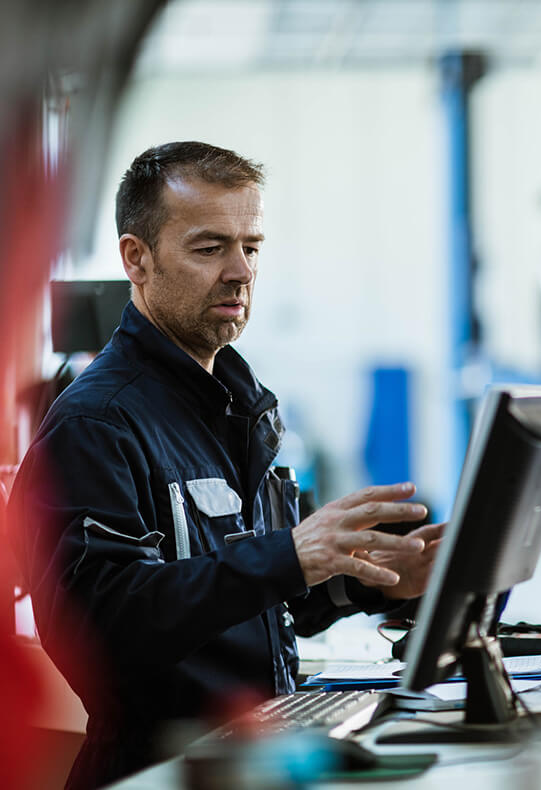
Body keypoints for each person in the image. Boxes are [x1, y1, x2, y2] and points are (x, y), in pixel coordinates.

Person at [9, 141, 444, 789]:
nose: (240, 271)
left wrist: (366, 579)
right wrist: (289, 555)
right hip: (159, 768)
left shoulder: (243, 408)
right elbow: (100, 630)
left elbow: (262, 605)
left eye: (252, 246)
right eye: (210, 248)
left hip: (254, 754)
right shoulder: (99, 422)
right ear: (138, 259)